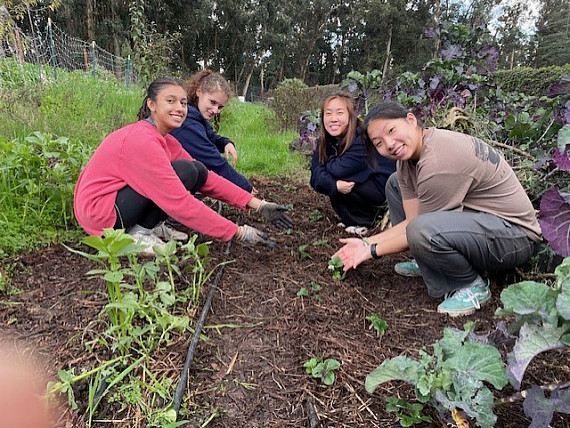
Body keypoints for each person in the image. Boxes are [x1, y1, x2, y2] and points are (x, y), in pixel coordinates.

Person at [333, 101, 541, 317]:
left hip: (515, 237)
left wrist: (370, 250)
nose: (390, 144)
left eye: (392, 131)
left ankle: (471, 286)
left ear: (411, 120)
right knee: (395, 184)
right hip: (483, 223)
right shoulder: (406, 162)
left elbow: (416, 226)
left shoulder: (438, 161)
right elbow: (410, 220)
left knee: (423, 230)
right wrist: (367, 242)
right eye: (379, 143)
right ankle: (427, 260)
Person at [74, 77, 292, 255]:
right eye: (170, 101)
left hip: (117, 202)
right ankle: (137, 234)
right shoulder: (141, 141)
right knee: (184, 173)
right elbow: (180, 203)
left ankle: (145, 226)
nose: (179, 108)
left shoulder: (165, 139)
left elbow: (206, 177)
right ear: (152, 105)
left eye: (183, 103)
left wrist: (259, 205)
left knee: (193, 170)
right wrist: (237, 232)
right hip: (100, 216)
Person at [310, 93, 396, 236]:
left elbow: (339, 170)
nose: (333, 119)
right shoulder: (326, 141)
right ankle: (352, 220)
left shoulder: (361, 138)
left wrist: (325, 165)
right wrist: (334, 184)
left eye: (340, 113)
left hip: (385, 192)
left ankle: (368, 222)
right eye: (328, 114)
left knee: (348, 182)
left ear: (351, 117)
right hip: (363, 186)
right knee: (336, 185)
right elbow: (314, 177)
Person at [170, 70, 254, 192]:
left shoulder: (195, 114)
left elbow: (210, 136)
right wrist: (246, 188)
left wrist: (225, 143)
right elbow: (214, 162)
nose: (215, 110)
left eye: (220, 107)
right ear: (199, 92)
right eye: (212, 102)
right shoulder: (187, 123)